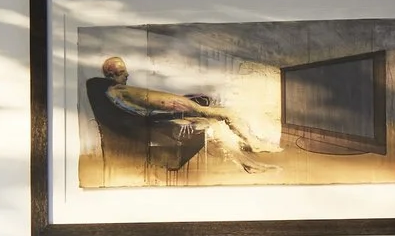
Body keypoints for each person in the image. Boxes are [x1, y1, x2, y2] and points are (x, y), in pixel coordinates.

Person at [99, 56, 278, 173]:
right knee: (223, 116)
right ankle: (251, 151)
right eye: (122, 72)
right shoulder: (119, 90)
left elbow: (152, 105)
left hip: (153, 120)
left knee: (217, 119)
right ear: (110, 74)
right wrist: (200, 110)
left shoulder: (114, 93)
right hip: (154, 124)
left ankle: (248, 155)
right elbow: (160, 103)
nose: (127, 74)